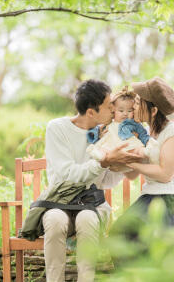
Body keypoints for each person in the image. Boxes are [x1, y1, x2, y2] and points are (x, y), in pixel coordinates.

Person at [40, 79, 143, 282]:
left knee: (87, 219)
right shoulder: (57, 128)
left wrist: (125, 162)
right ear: (91, 112)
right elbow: (65, 174)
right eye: (108, 106)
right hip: (59, 202)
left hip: (93, 204)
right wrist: (104, 162)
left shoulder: (107, 132)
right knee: (54, 220)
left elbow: (107, 181)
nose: (114, 110)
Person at [111, 77, 174, 239]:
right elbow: (132, 174)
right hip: (151, 197)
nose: (133, 107)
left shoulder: (173, 131)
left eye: (137, 103)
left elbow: (165, 175)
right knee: (120, 233)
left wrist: (132, 163)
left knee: (164, 236)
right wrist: (119, 159)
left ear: (153, 110)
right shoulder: (144, 132)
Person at [86, 86, 159, 172]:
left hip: (129, 150)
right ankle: (100, 155)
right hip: (114, 154)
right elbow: (95, 130)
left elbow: (143, 134)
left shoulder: (133, 124)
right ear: (114, 110)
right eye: (121, 111)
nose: (125, 114)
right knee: (103, 150)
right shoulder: (109, 123)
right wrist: (97, 135)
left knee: (138, 150)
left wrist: (148, 141)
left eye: (129, 111)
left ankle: (149, 153)